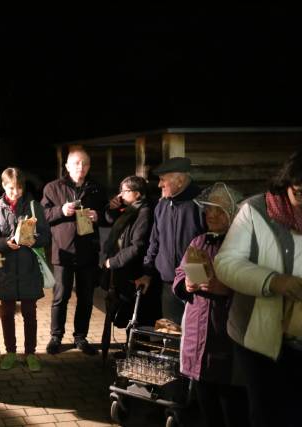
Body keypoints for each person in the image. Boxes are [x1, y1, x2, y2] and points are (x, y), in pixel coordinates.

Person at [215, 151, 302, 427]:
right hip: (259, 337)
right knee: (268, 414)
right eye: (299, 193)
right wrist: (273, 281)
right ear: (285, 184)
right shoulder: (255, 210)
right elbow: (226, 263)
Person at [172, 183, 247, 427]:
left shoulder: (243, 246)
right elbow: (180, 273)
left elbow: (255, 288)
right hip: (197, 334)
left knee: (232, 406)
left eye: (219, 210)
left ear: (234, 213)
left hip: (226, 337)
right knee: (207, 406)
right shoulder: (199, 241)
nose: (211, 215)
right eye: (208, 209)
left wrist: (227, 290)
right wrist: (187, 285)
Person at [41, 148, 107, 355]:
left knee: (86, 298)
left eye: (85, 164)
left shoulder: (96, 188)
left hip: (88, 252)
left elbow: (107, 215)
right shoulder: (53, 188)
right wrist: (61, 210)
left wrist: (99, 216)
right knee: (61, 297)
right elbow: (42, 215)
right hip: (63, 252)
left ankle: (81, 337)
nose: (81, 167)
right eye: (76, 163)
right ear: (67, 166)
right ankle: (56, 337)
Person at [0, 167, 51, 372]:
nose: (16, 192)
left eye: (20, 187)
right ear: (4, 186)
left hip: (29, 269)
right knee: (6, 314)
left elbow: (47, 236)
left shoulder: (33, 206)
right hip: (5, 270)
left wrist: (34, 240)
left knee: (30, 313)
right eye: (12, 188)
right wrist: (5, 242)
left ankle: (30, 353)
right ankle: (10, 352)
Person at [136, 157, 206, 324]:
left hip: (196, 284)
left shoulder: (201, 205)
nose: (159, 185)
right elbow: (155, 242)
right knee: (170, 334)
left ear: (180, 181)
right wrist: (147, 272)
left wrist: (198, 278)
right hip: (168, 283)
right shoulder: (162, 206)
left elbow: (209, 245)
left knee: (193, 334)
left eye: (163, 180)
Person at [102, 176, 153, 329]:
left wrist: (114, 261)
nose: (121, 195)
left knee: (134, 312)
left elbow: (137, 246)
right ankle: (128, 348)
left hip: (133, 269)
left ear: (137, 193)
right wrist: (112, 208)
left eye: (125, 191)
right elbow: (111, 220)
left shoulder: (143, 212)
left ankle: (135, 349)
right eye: (121, 191)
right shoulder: (130, 209)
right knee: (127, 309)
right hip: (123, 267)